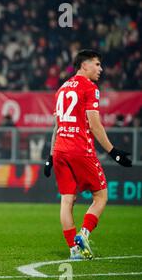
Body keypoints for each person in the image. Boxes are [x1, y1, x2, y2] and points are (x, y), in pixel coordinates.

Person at [44, 50, 132, 260]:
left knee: (67, 200)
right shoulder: (90, 87)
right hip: (79, 148)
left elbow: (57, 126)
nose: (101, 69)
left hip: (60, 151)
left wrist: (49, 156)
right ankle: (83, 235)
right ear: (84, 65)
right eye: (97, 64)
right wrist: (113, 152)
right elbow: (94, 124)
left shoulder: (62, 88)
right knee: (101, 196)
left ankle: (74, 250)